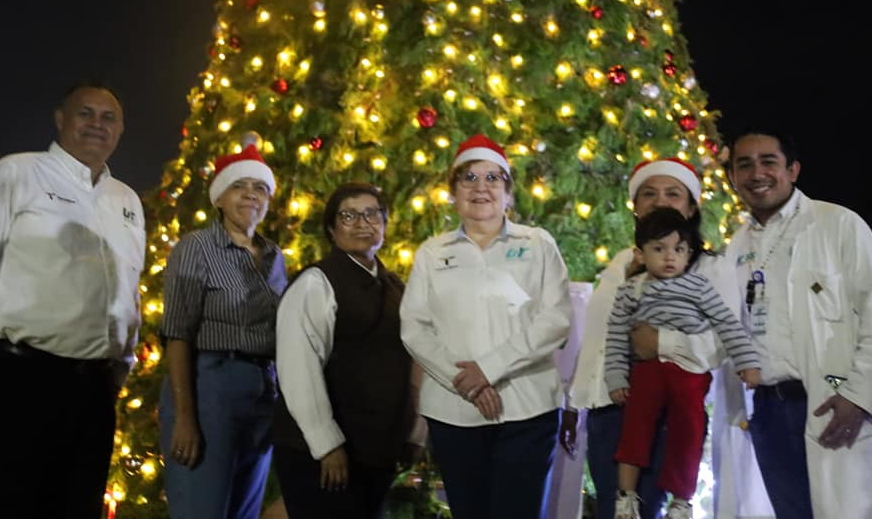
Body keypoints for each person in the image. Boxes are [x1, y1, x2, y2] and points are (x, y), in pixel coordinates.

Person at [0, 84, 144, 519]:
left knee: (78, 506)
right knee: (8, 505)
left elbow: (128, 289)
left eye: (108, 117)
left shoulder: (126, 200)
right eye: (85, 113)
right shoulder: (15, 175)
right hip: (23, 380)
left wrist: (121, 366)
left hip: (94, 390)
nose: (97, 124)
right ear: (60, 119)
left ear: (121, 129)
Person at [563, 157, 772, 519]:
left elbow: (722, 339)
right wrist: (573, 404)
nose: (660, 201)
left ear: (691, 208)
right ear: (636, 206)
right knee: (614, 510)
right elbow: (598, 337)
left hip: (665, 410)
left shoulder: (710, 269)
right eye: (649, 193)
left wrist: (660, 343)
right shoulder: (621, 263)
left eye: (672, 193)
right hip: (608, 409)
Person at [726, 128, 872, 519]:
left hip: (832, 405)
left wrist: (859, 396)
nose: (757, 173)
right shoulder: (737, 245)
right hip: (769, 413)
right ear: (733, 178)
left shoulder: (837, 224)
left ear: (792, 170)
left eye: (768, 162)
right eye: (744, 165)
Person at [399, 134, 572, 519]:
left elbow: (555, 320)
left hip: (528, 410)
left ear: (508, 194)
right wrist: (466, 382)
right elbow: (414, 327)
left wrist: (489, 369)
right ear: (453, 193)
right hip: (453, 412)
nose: (481, 187)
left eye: (493, 178)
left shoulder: (538, 244)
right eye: (469, 178)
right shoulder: (432, 253)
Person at [272, 182, 425, 519]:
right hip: (323, 455)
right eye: (348, 216)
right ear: (331, 229)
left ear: (384, 224)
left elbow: (415, 362)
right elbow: (299, 369)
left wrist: (414, 434)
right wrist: (326, 444)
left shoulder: (395, 287)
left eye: (372, 214)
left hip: (376, 452)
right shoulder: (316, 283)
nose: (361, 223)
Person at [605, 207, 761, 519]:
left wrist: (747, 362)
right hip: (648, 370)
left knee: (689, 430)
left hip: (688, 370)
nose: (669, 257)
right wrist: (616, 377)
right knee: (635, 427)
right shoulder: (631, 289)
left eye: (679, 249)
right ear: (640, 254)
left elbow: (727, 324)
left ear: (689, 253)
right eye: (659, 249)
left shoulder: (699, 286)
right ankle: (625, 496)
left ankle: (681, 501)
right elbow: (617, 336)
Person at [158, 142, 287, 519]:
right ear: (219, 198)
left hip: (262, 393)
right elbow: (177, 332)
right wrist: (185, 417)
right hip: (209, 388)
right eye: (238, 186)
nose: (250, 194)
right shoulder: (196, 247)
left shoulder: (275, 256)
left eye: (259, 187)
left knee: (244, 511)